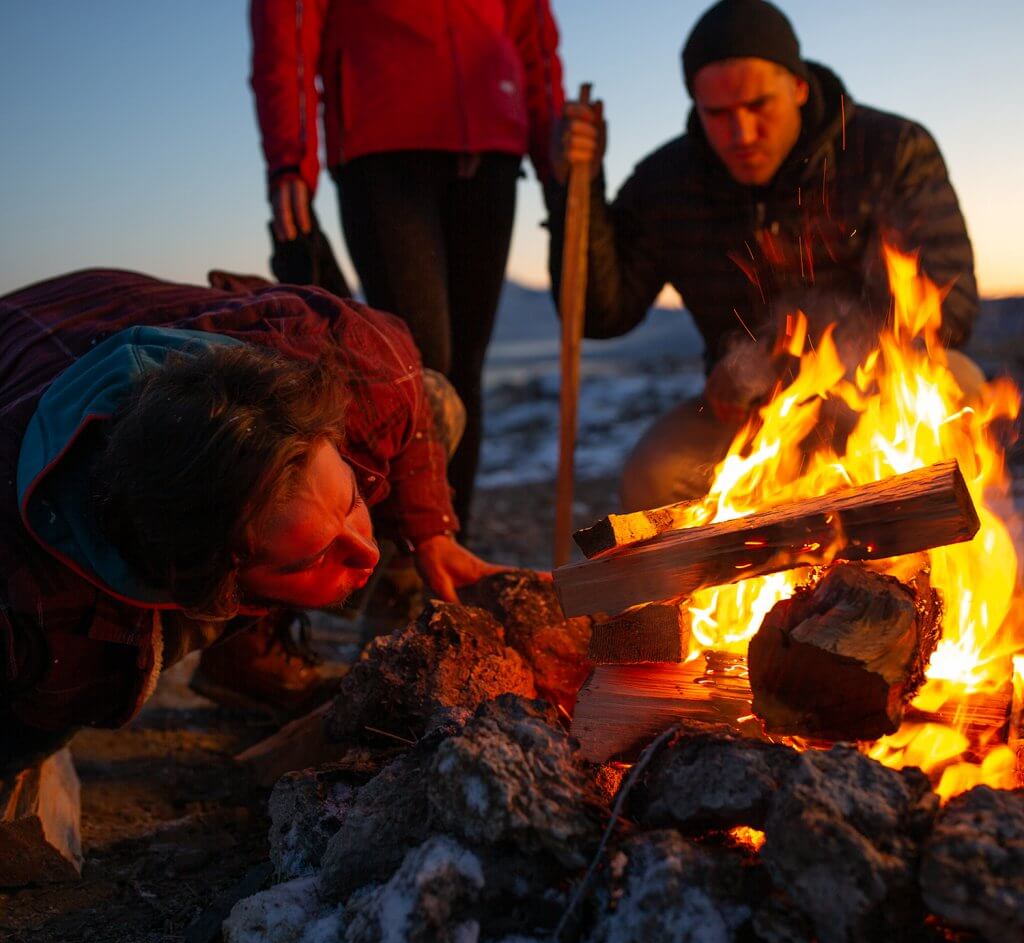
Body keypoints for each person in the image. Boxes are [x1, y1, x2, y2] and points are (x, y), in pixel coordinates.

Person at [0, 269, 504, 777]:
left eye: (350, 498)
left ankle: (250, 652)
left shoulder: (336, 364)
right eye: (314, 556)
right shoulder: (39, 610)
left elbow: (406, 381)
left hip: (95, 306)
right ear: (212, 582)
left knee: (437, 399)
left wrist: (430, 533)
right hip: (22, 359)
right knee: (43, 717)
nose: (368, 551)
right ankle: (241, 649)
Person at [548, 0, 979, 510]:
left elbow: (949, 310)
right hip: (744, 413)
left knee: (959, 388)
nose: (742, 134)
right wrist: (576, 189)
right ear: (694, 105)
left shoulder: (887, 150)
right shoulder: (667, 184)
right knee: (655, 480)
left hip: (873, 391)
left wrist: (775, 360)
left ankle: (938, 577)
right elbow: (601, 314)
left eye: (758, 106)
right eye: (719, 115)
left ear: (797, 88)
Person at [250, 0, 565, 533]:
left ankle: (445, 552)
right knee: (417, 369)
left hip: (491, 143)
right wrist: (291, 156)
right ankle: (407, 548)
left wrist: (552, 145)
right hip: (383, 138)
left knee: (464, 368)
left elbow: (531, 29)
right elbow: (288, 21)